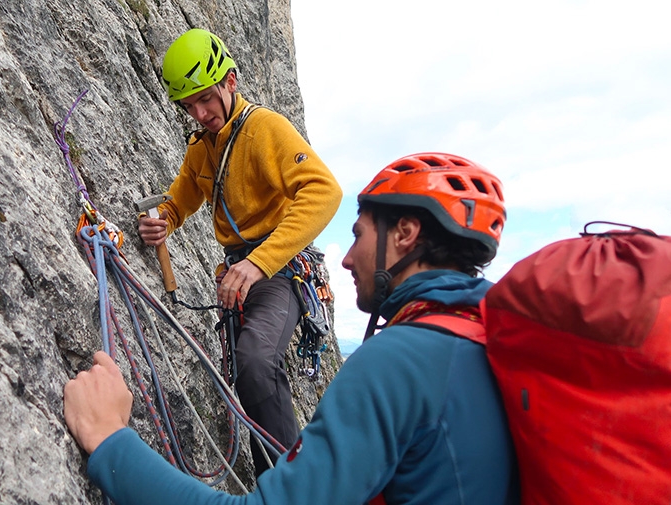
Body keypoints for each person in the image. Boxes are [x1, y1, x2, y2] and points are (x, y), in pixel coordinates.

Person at [64, 152, 519, 504]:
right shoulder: (492, 341)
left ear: (404, 234)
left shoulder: (402, 362)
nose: (344, 257)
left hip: (273, 276)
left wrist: (109, 439)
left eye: (358, 234)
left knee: (255, 360)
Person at [137, 28, 342, 474]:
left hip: (281, 271)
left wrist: (257, 263)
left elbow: (324, 191)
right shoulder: (202, 148)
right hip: (239, 276)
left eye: (206, 98)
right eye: (189, 105)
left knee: (254, 362)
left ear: (230, 81)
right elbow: (182, 196)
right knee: (245, 381)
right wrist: (164, 221)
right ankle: (270, 485)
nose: (201, 112)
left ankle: (292, 489)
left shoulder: (265, 129)